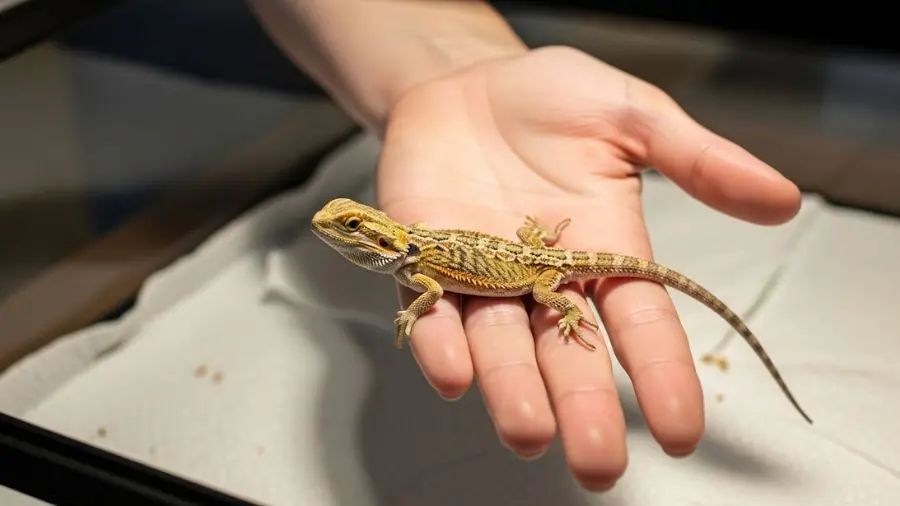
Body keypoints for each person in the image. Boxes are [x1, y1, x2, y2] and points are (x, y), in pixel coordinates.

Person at [247, 0, 802, 492]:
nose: (335, 229)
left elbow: (433, 292)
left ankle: (561, 307)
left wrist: (559, 307)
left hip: (542, 270)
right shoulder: (413, 250)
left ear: (375, 233)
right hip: (530, 252)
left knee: (558, 304)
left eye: (347, 226)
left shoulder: (420, 268)